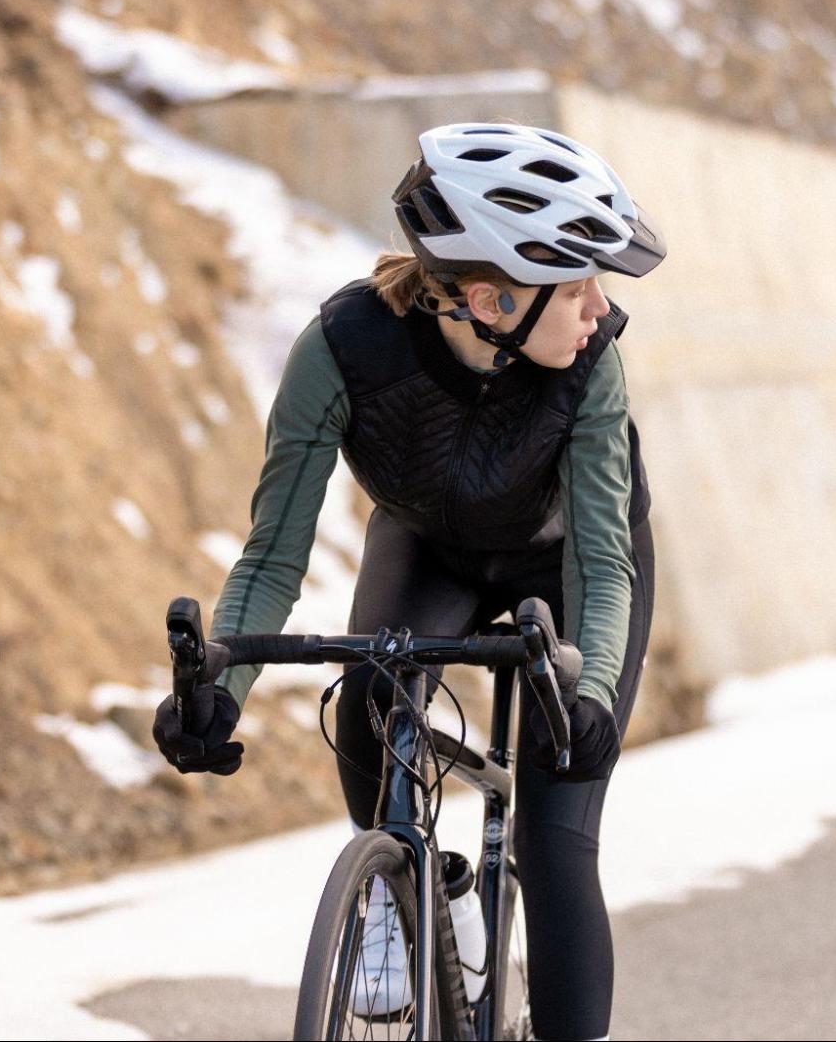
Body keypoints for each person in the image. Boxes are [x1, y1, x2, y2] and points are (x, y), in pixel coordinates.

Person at [152, 122, 666, 1040]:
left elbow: (599, 560)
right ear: (491, 301)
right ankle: (415, 896)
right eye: (580, 284)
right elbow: (273, 553)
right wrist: (219, 691)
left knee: (553, 835)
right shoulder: (343, 350)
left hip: (572, 565)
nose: (601, 308)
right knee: (368, 700)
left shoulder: (592, 367)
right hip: (432, 544)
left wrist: (586, 696)